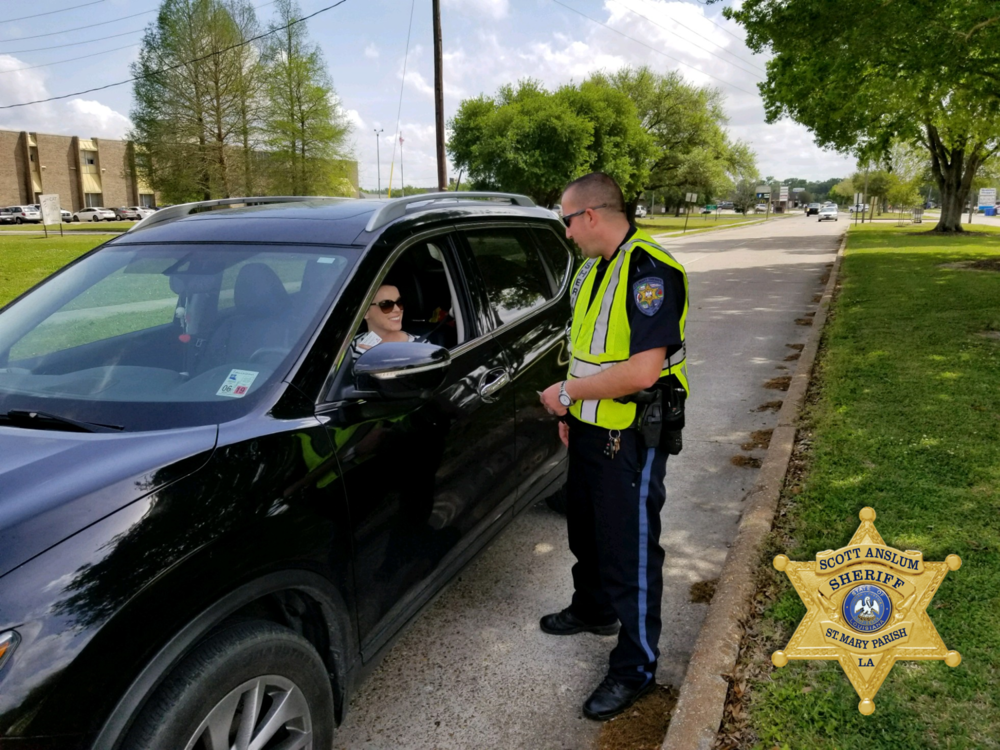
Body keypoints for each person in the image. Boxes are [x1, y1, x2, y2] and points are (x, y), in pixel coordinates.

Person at [538, 172, 689, 721]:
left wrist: (565, 393)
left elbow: (642, 370)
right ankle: (594, 608)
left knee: (631, 550)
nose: (568, 232)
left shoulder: (648, 271)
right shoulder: (590, 271)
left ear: (592, 215)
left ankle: (636, 667)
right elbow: (587, 353)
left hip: (631, 436)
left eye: (567, 220)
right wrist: (573, 414)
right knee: (586, 529)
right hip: (588, 428)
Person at [350, 283, 417, 358]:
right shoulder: (347, 350)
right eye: (386, 305)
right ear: (365, 312)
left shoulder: (422, 346)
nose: (397, 309)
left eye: (399, 302)